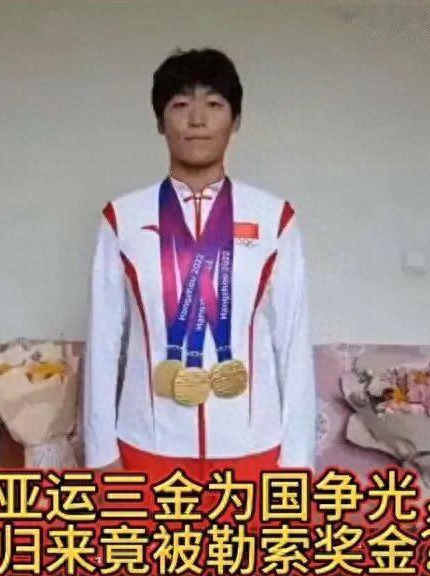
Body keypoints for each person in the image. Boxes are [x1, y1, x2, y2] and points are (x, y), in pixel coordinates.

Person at [83, 47, 316, 502]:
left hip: (253, 450)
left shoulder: (274, 218)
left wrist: (298, 461)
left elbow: (292, 340)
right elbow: (104, 340)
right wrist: (100, 453)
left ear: (235, 120)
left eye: (213, 103)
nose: (196, 119)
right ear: (160, 121)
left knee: (250, 553)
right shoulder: (122, 219)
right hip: (148, 446)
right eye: (179, 104)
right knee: (147, 552)